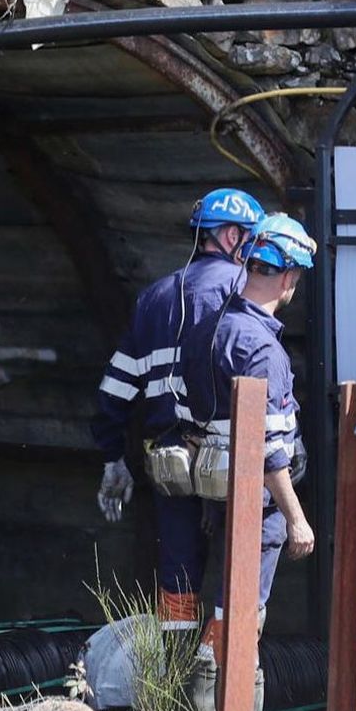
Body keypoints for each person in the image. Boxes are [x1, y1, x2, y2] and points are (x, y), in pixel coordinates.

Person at [172, 213, 320, 711]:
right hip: (257, 508)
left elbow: (189, 425)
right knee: (245, 614)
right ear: (289, 280)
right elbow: (271, 453)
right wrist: (297, 519)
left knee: (223, 604)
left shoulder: (206, 331)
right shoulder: (262, 350)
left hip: (217, 499)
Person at [91, 188, 264, 636]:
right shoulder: (243, 291)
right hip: (230, 461)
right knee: (240, 572)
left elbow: (117, 386)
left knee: (179, 582)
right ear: (231, 236)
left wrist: (113, 458)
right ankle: (223, 681)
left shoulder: (153, 299)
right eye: (252, 241)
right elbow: (264, 372)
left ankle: (175, 687)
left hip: (169, 461)